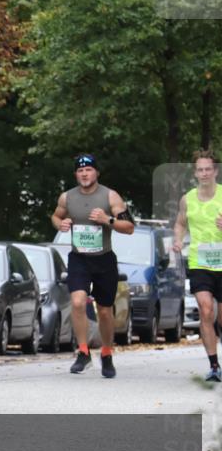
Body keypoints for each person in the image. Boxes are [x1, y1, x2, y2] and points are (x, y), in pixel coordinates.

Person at [51, 153, 135, 378]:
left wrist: (107, 219)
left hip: (104, 259)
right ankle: (83, 352)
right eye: (80, 171)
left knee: (105, 311)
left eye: (88, 170)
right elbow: (56, 217)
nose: (84, 174)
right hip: (79, 258)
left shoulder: (110, 196)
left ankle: (106, 353)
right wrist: (62, 223)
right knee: (78, 302)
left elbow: (129, 226)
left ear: (96, 172)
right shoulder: (67, 197)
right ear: (75, 174)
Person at [172, 149, 222, 382]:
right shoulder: (187, 199)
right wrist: (178, 240)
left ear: (216, 171)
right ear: (195, 173)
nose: (204, 173)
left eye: (208, 169)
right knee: (205, 309)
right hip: (200, 261)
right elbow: (180, 223)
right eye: (200, 169)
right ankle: (214, 366)